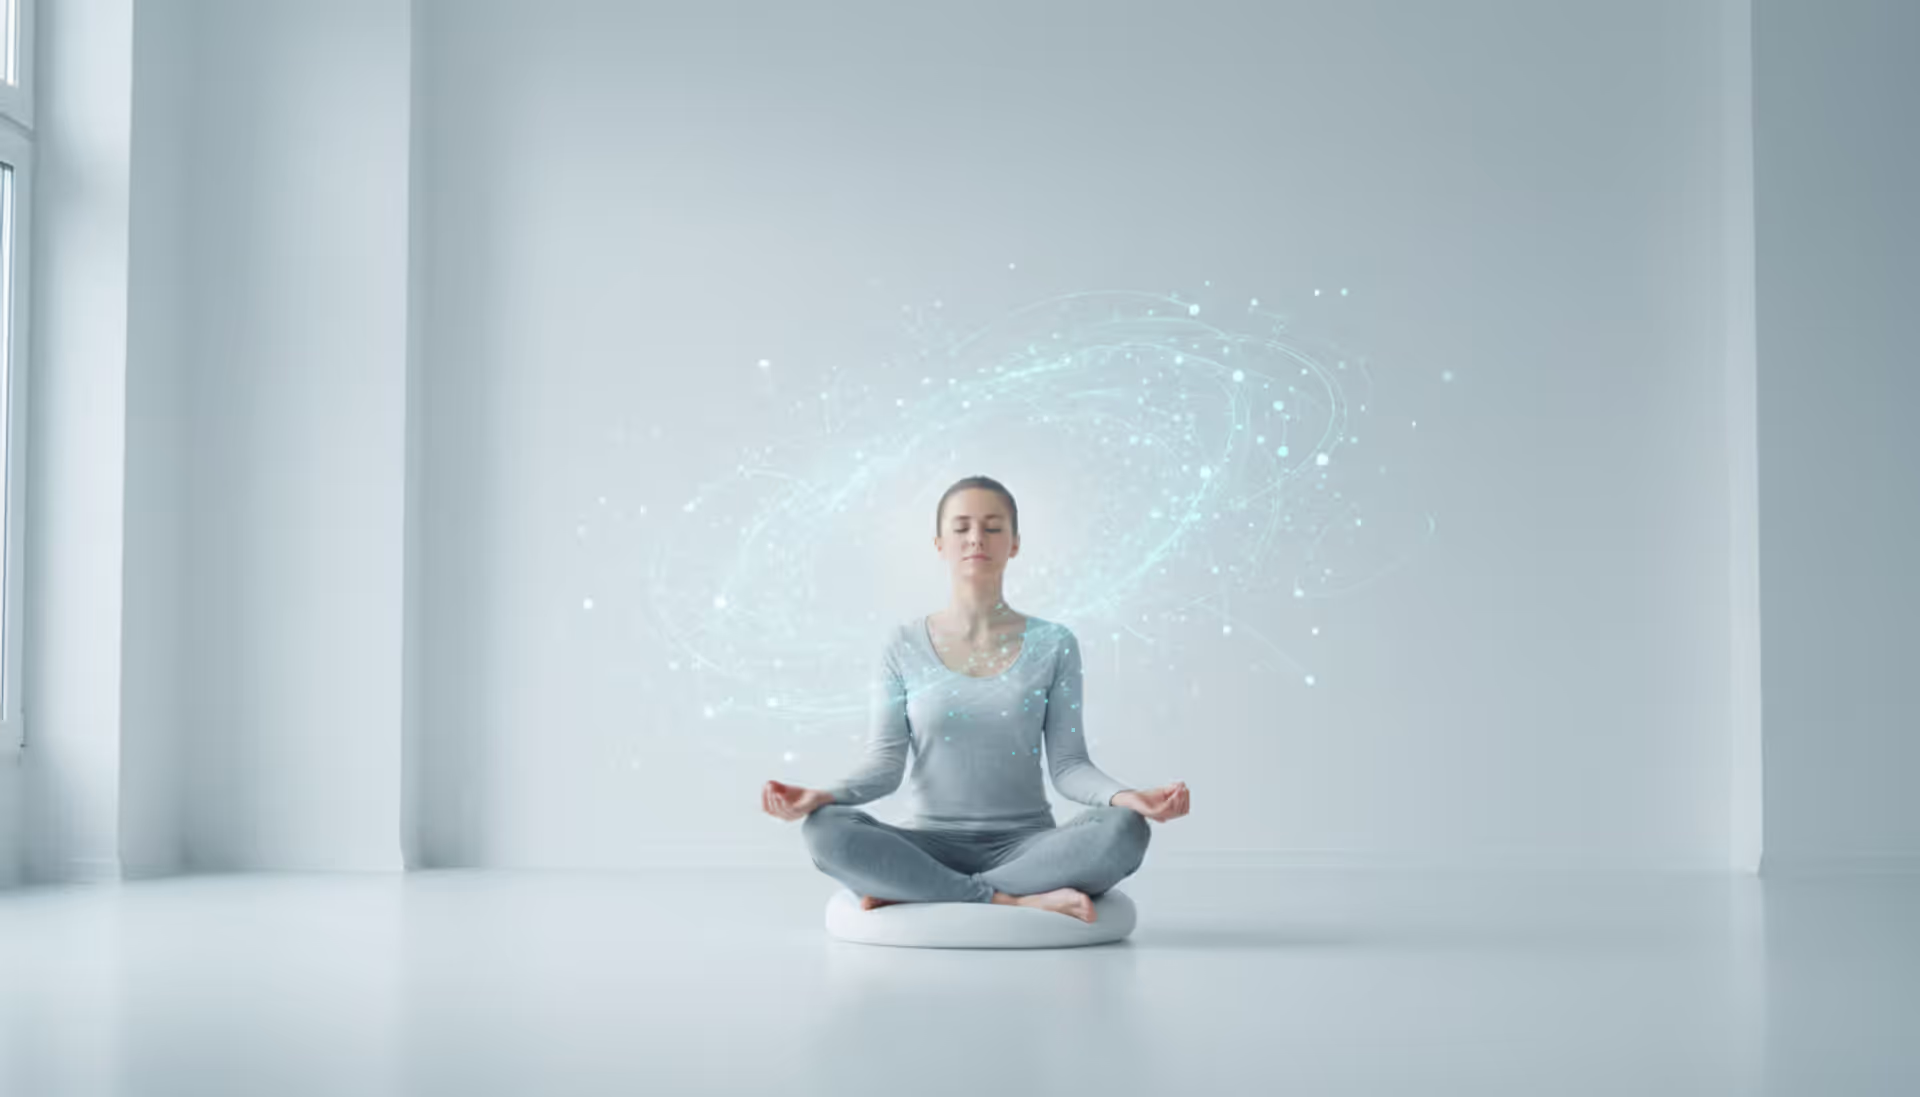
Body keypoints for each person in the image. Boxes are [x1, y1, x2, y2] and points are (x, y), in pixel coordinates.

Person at [761, 475, 1191, 923]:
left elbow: (1068, 766)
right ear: (939, 542)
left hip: (1028, 847)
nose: (975, 539)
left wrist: (1126, 797)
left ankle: (917, 888)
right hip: (928, 844)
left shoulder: (1054, 643)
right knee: (826, 829)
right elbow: (884, 767)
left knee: (1123, 830)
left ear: (1015, 543)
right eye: (961, 527)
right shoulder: (902, 644)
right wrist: (821, 795)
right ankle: (1009, 899)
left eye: (992, 527)